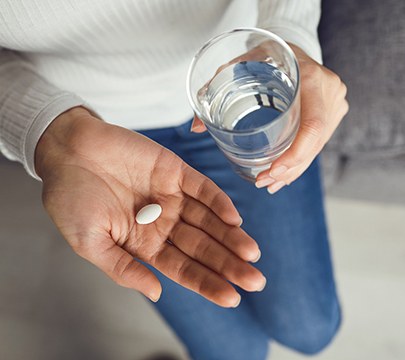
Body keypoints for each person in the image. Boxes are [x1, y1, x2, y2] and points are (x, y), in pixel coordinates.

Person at [0, 1, 348, 359]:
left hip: (239, 91)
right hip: (103, 135)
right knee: (235, 354)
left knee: (311, 331)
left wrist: (289, 43)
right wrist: (55, 135)